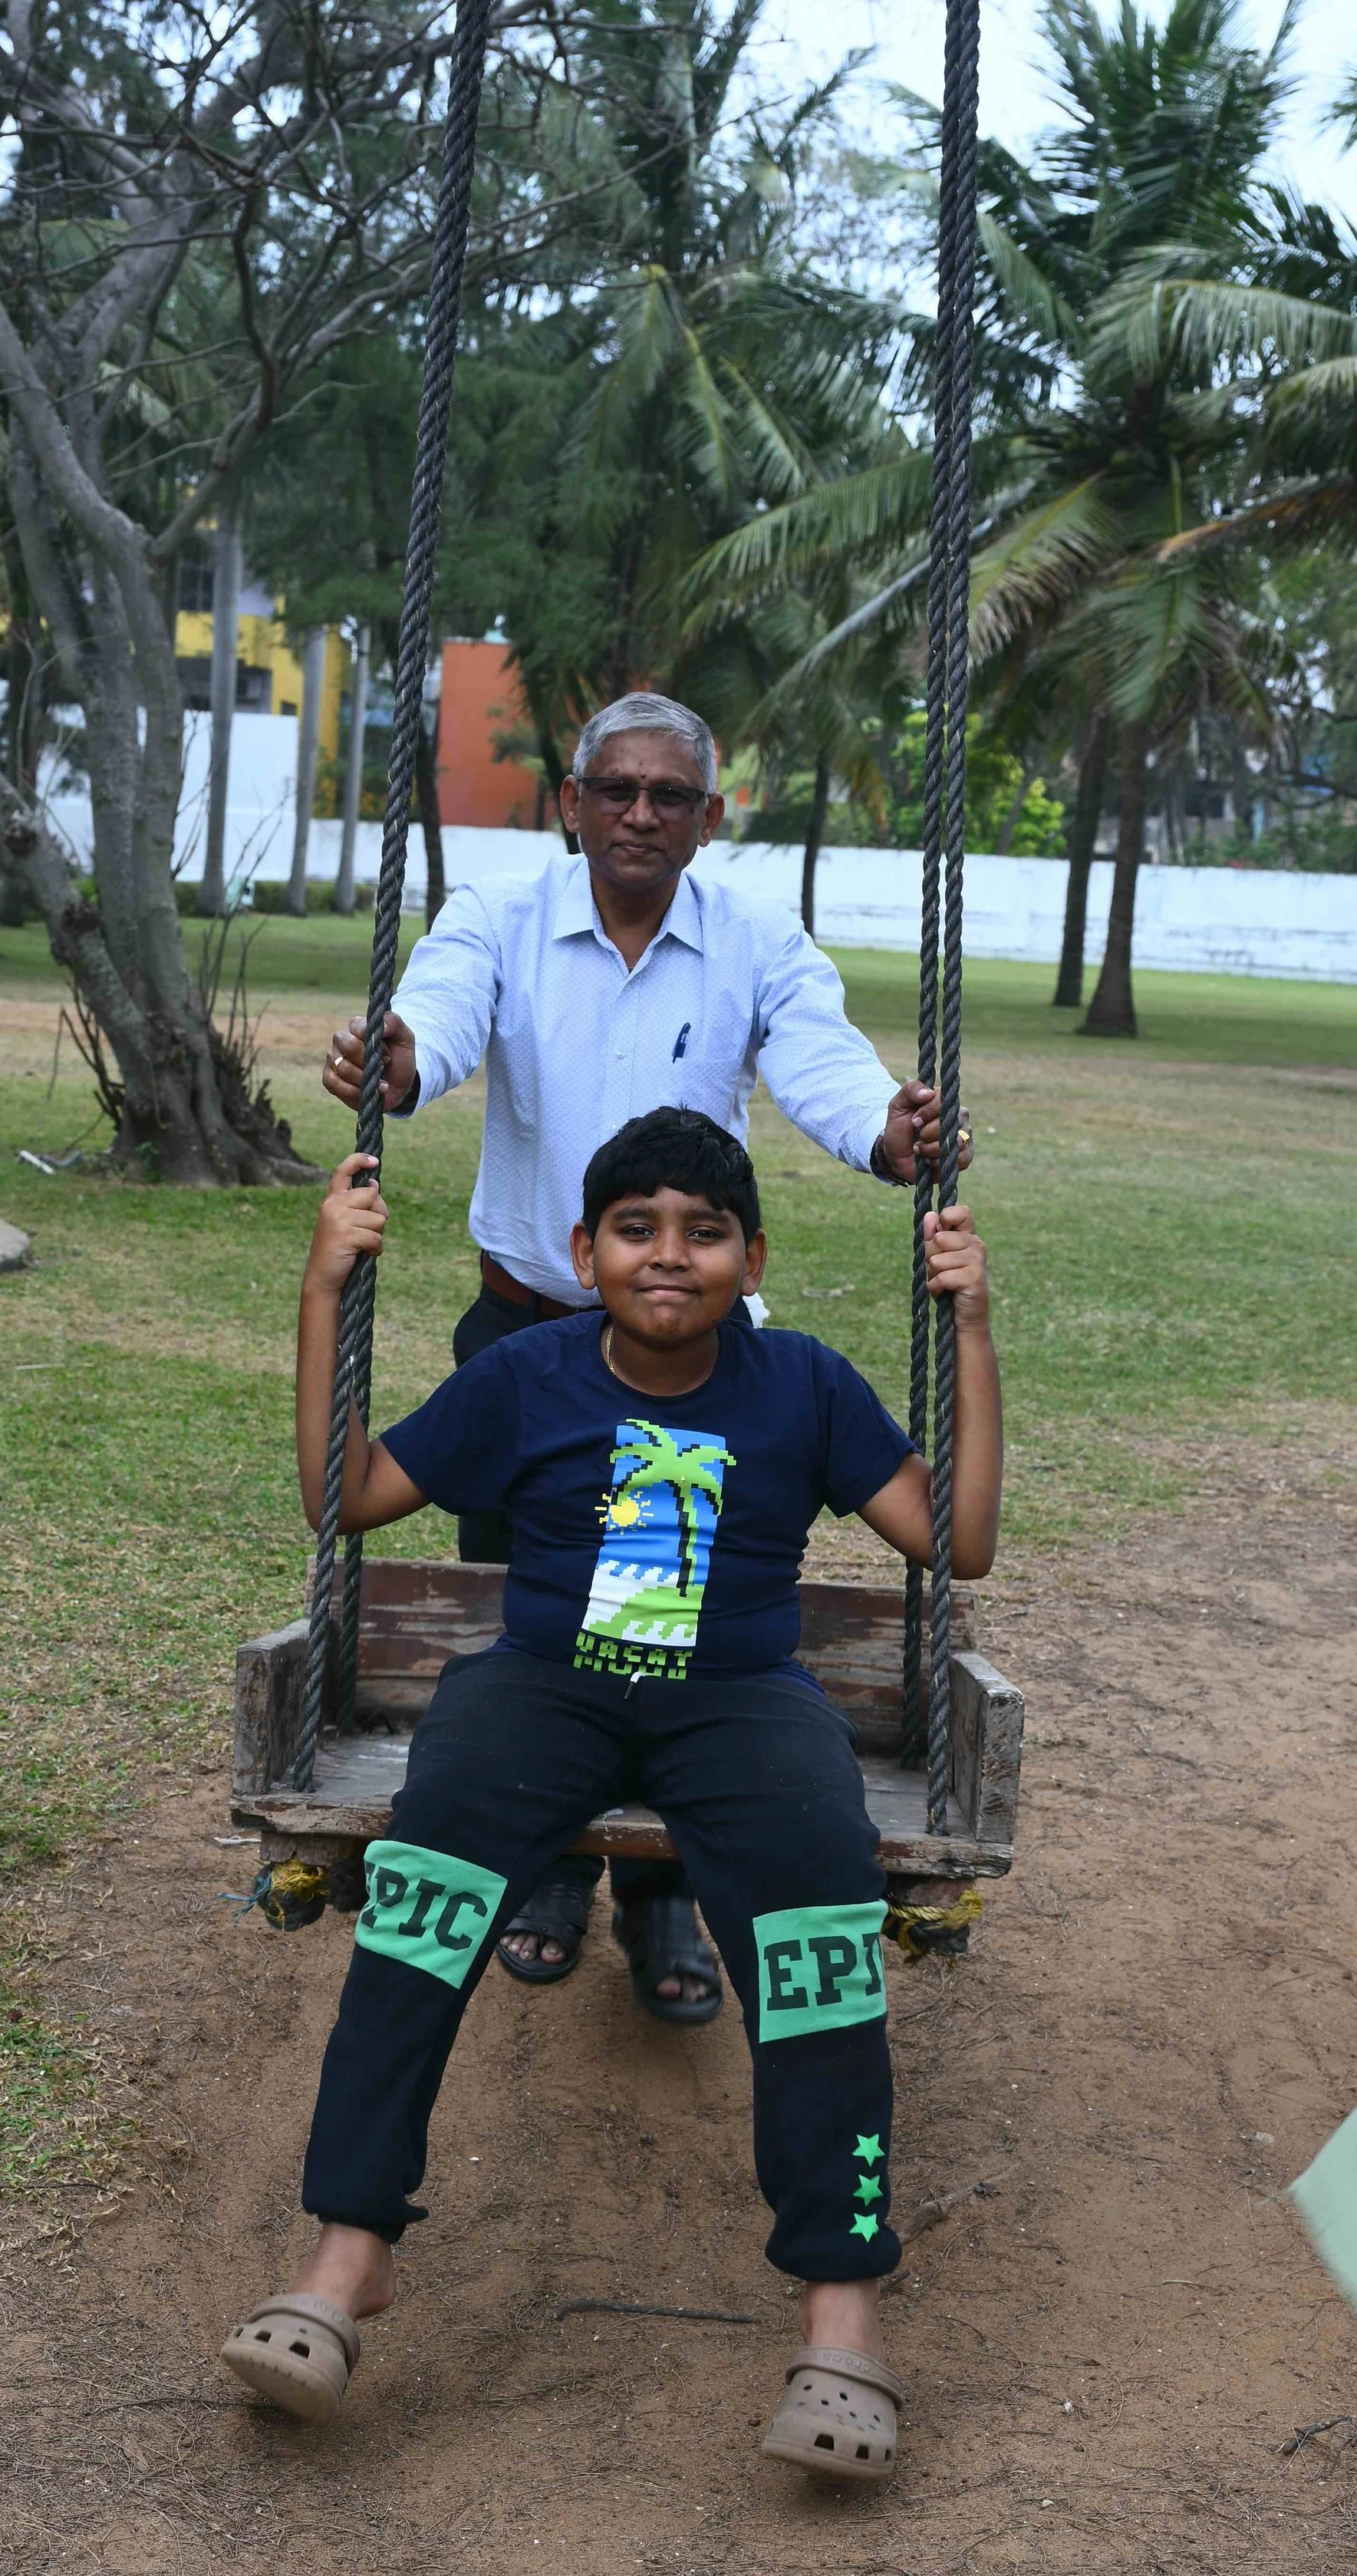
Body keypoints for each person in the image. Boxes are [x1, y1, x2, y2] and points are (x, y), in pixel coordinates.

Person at [222, 1107, 1002, 2483]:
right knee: (421, 1894)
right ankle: (348, 2251)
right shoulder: (524, 1375)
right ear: (584, 1253)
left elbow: (962, 1538)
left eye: (705, 1232)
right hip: (542, 1689)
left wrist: (973, 1326)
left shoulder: (804, 1384)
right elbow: (346, 1496)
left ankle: (842, 2307)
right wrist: (323, 1284)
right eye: (637, 1229)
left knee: (821, 1923)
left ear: (753, 1257)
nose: (670, 1255)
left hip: (742, 1700)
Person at [321, 689, 972, 2017]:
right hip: (528, 1338)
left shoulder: (754, 937)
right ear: (572, 803)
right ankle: (555, 1864)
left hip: (694, 1357)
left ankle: (663, 1897)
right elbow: (439, 1012)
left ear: (708, 817)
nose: (638, 814)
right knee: (537, 1614)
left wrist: (888, 1132)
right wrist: (400, 1060)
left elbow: (824, 1059)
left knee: (681, 1619)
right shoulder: (499, 917)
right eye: (614, 789)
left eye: (669, 795)